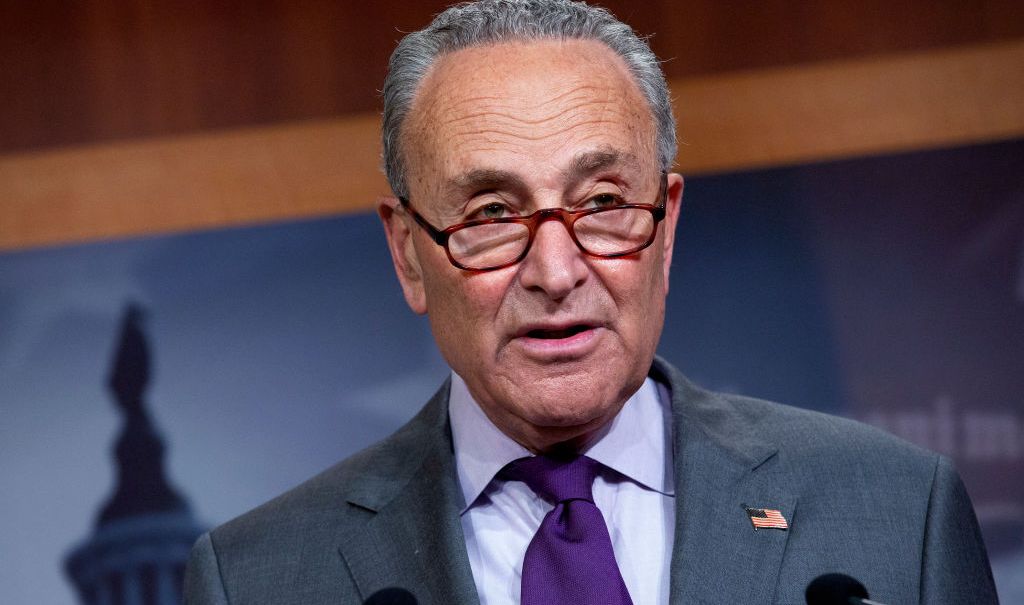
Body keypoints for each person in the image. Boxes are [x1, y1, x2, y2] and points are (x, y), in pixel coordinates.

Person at [184, 1, 998, 604]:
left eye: (603, 202)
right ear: (408, 252)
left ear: (667, 226)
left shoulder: (897, 518)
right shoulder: (259, 578)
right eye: (492, 214)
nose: (556, 268)